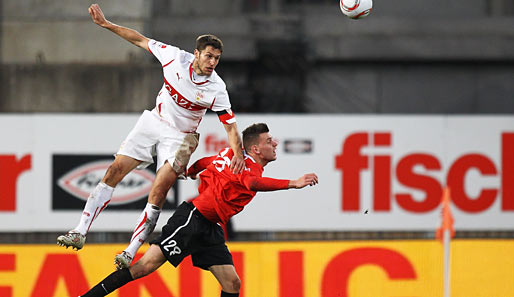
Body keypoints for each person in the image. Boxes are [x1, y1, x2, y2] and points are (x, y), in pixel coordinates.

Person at [56, 3, 245, 270]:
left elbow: (230, 126)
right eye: (208, 56)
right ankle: (79, 231)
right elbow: (138, 39)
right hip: (154, 122)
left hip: (181, 137)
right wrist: (106, 24)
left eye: (216, 58)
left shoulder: (217, 88)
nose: (212, 62)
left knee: (159, 189)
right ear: (196, 54)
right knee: (114, 170)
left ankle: (130, 250)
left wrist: (238, 153)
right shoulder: (173, 57)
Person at [78, 123, 318, 297]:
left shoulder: (229, 154)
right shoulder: (250, 168)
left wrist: (192, 170)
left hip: (210, 227)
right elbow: (252, 184)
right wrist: (293, 183)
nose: (274, 143)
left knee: (232, 284)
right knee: (144, 267)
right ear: (255, 149)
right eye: (269, 141)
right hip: (192, 219)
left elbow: (207, 162)